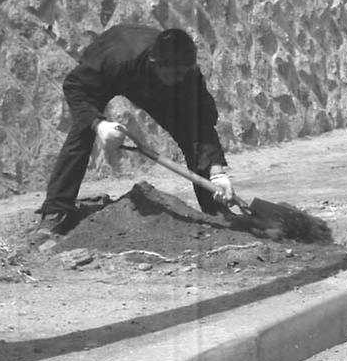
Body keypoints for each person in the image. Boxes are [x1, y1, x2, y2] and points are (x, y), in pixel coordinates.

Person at [36, 26, 235, 236]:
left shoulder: (187, 74)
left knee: (191, 131)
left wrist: (217, 172)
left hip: (154, 85)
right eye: (175, 73)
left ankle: (215, 207)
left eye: (184, 72)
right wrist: (98, 124)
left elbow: (203, 121)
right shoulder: (116, 59)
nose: (180, 78)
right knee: (82, 130)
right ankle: (56, 210)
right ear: (155, 63)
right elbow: (75, 86)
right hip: (110, 73)